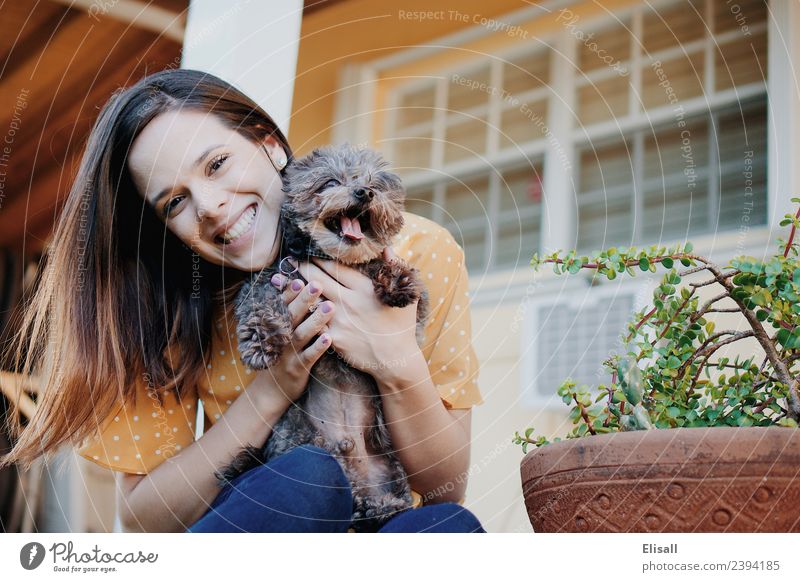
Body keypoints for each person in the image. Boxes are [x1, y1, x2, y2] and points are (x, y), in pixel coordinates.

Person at [0, 69, 485, 533]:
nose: (210, 206)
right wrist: (271, 391)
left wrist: (395, 358)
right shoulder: (166, 305)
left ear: (268, 144)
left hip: (384, 531)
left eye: (216, 164)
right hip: (268, 532)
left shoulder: (416, 252)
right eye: (175, 202)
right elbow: (146, 517)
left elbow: (445, 486)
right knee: (310, 480)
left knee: (445, 526)